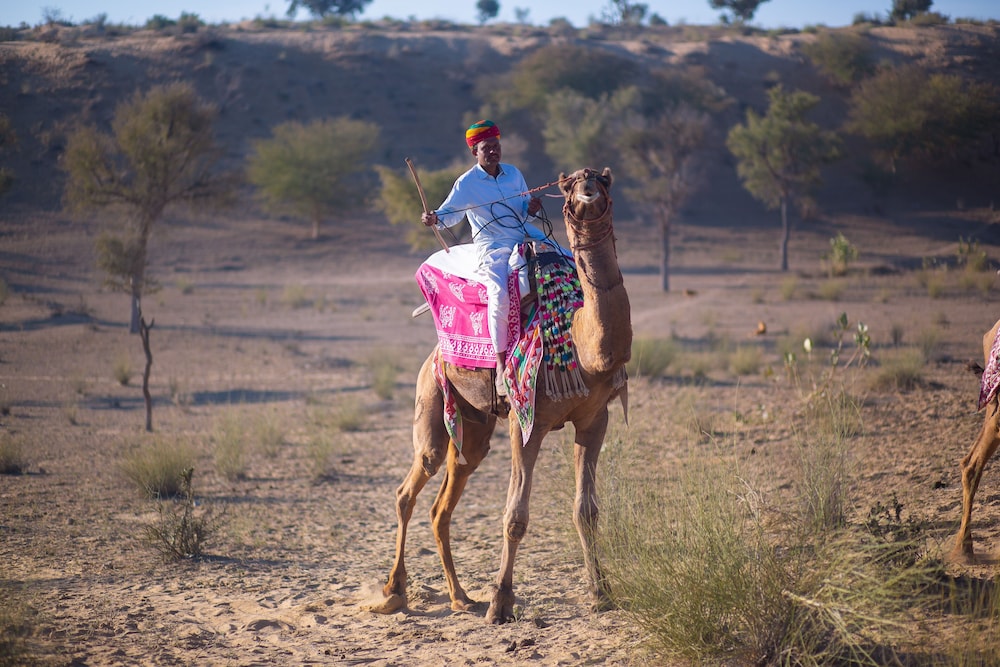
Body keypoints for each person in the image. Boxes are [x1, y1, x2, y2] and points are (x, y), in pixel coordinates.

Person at [422, 119, 550, 396]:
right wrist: (433, 218)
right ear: (474, 152)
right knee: (499, 295)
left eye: (496, 146)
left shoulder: (514, 174)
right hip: (491, 247)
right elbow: (448, 214)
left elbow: (524, 209)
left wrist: (532, 207)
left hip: (524, 236)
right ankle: (503, 367)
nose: (493, 151)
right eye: (486, 148)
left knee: (568, 264)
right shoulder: (466, 183)